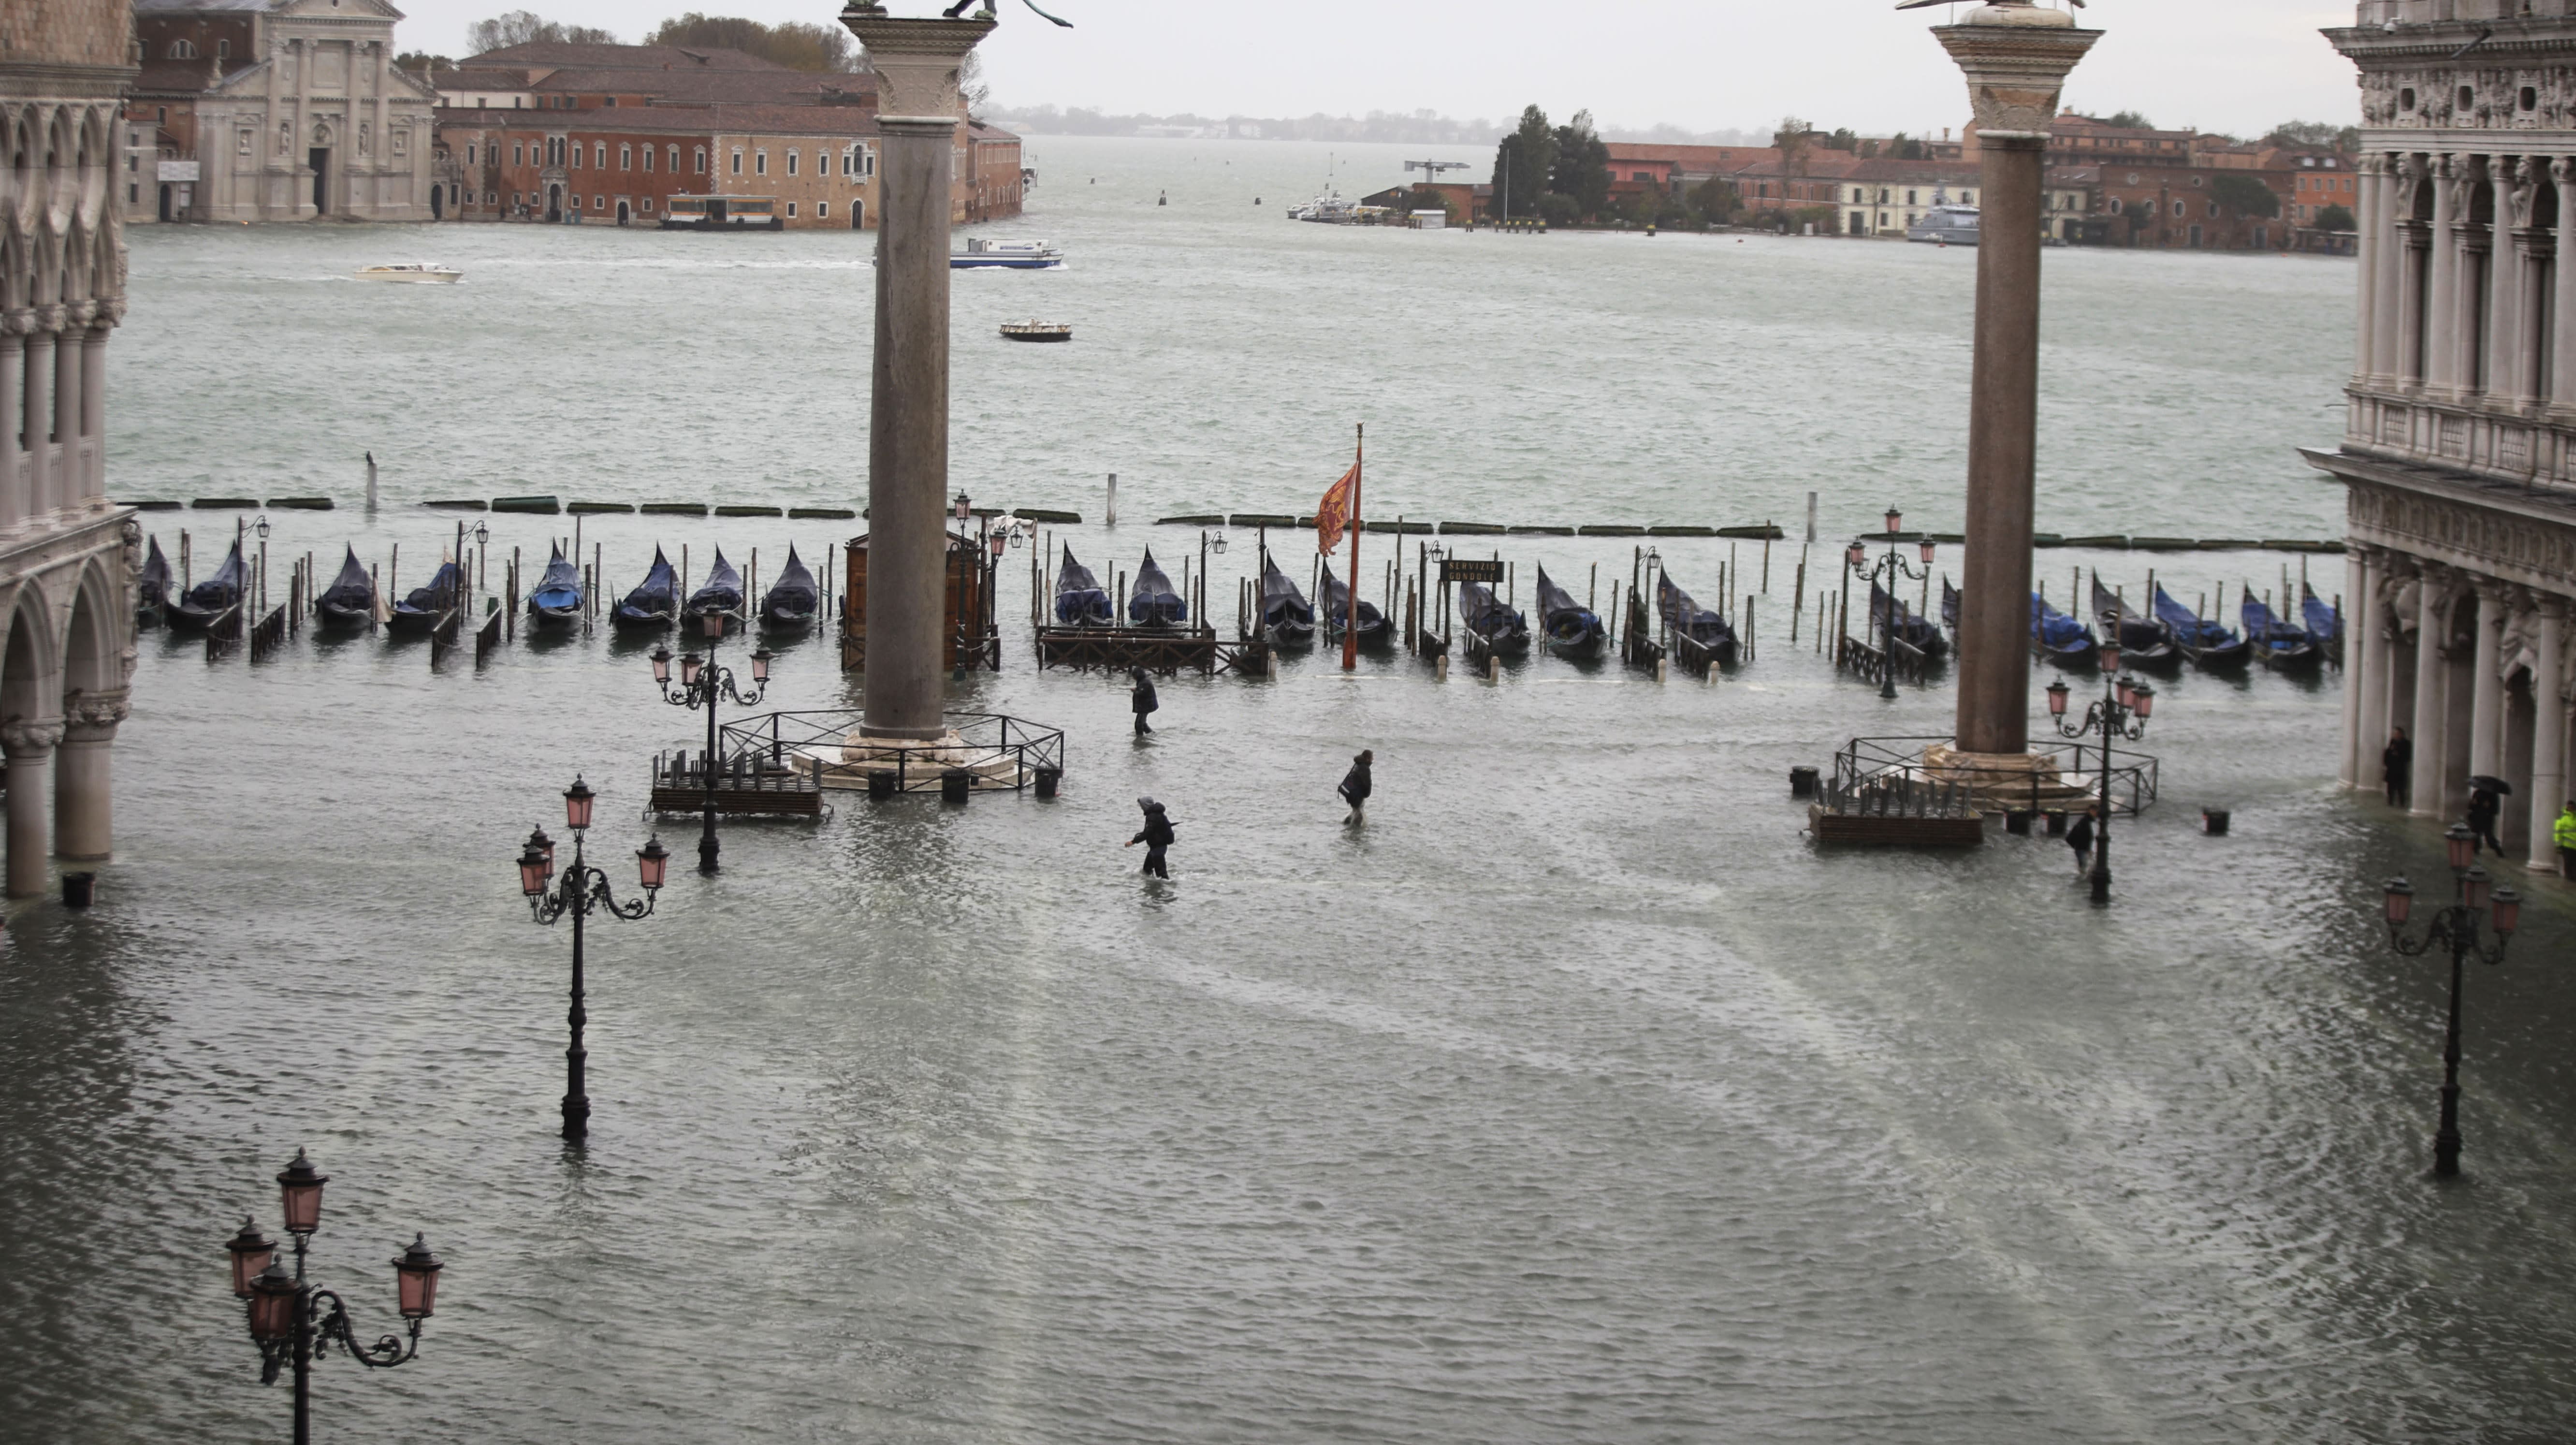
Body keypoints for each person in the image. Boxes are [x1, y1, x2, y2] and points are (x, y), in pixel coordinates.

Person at [1123, 796, 1175, 878]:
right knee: (1147, 870)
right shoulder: (1157, 814)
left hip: (1158, 848)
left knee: (1162, 875)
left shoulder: (1152, 816)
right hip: (1156, 848)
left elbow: (1147, 833)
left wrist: (1133, 842)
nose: (1141, 808)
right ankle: (1149, 887)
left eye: (1141, 806)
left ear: (1146, 805)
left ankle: (1164, 889)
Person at [2467, 784, 2503, 856]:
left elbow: (2496, 810)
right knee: (2476, 835)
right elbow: (2470, 807)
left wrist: (2488, 807)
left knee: (2489, 837)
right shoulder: (2477, 793)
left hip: (2487, 819)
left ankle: (2498, 850)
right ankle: (2476, 850)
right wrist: (2473, 803)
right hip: (2476, 818)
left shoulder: (2493, 795)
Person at [1339, 749, 1373, 826]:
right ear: (1368, 758)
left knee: (1355, 812)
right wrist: (1367, 794)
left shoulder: (1358, 765)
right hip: (1357, 795)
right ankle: (1355, 836)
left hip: (1350, 793)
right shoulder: (1365, 768)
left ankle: (1346, 825)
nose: (1373, 760)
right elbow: (1367, 784)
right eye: (1372, 758)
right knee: (1359, 816)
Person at [2066, 804, 2097, 879]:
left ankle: (2083, 881)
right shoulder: (2085, 822)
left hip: (2081, 849)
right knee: (2085, 870)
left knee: (2085, 869)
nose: (2097, 814)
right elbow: (2084, 837)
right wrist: (2088, 849)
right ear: (2091, 811)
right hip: (2082, 849)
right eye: (2096, 812)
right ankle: (2083, 883)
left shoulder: (2086, 821)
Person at [2383, 727, 2413, 808]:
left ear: (2401, 734)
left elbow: (2408, 757)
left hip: (2401, 770)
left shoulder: (2406, 743)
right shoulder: (2392, 742)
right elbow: (2387, 754)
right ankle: (2390, 804)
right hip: (2391, 770)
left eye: (2397, 734)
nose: (2395, 735)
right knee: (2390, 790)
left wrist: (2398, 754)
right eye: (2394, 734)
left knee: (2401, 790)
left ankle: (2402, 804)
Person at [1129, 668, 1158, 737]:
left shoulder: (1145, 683)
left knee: (1139, 724)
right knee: (1143, 723)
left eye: (1134, 676)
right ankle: (1152, 735)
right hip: (1145, 706)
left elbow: (1143, 693)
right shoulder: (1143, 681)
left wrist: (1135, 691)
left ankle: (1139, 738)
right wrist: (1137, 689)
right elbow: (1143, 690)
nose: (1133, 678)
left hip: (1146, 706)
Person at [2556, 799, 2576, 879]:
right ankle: (2568, 878)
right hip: (2566, 846)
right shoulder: (2563, 817)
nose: (2570, 808)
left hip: (2575, 846)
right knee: (2568, 863)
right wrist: (2558, 846)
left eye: (2572, 806)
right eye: (2569, 806)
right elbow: (2558, 832)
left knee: (2574, 863)